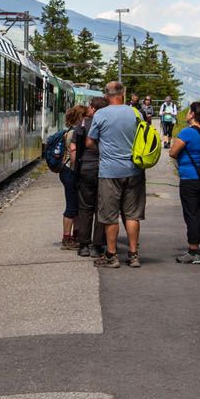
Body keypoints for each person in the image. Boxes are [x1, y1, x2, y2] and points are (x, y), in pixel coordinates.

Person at [88, 81, 145, 268]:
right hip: (134, 171)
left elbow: (90, 142)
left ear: (106, 95)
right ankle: (133, 254)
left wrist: (104, 152)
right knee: (132, 215)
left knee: (110, 215)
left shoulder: (100, 114)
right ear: (124, 93)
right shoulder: (136, 113)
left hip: (109, 171)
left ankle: (112, 255)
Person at [169, 101, 200, 264]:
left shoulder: (187, 133)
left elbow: (173, 152)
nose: (187, 113)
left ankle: (193, 250)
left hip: (190, 178)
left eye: (189, 111)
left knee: (192, 214)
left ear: (193, 114)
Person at [73, 97, 108, 258]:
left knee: (85, 208)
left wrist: (76, 169)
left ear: (93, 108)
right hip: (104, 169)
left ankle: (83, 245)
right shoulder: (107, 125)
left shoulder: (82, 124)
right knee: (100, 207)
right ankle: (98, 245)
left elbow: (74, 148)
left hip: (86, 168)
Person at [59, 105, 86, 250]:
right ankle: (67, 238)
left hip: (67, 171)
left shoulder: (71, 131)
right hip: (70, 171)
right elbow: (74, 156)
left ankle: (75, 235)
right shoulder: (73, 133)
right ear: (80, 117)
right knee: (71, 206)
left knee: (75, 205)